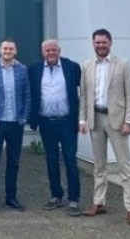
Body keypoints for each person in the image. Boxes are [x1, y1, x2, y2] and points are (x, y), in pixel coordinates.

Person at [79, 29, 130, 226]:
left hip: (117, 120)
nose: (101, 46)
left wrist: (129, 121)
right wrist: (82, 119)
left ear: (110, 43)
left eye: (104, 42)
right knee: (99, 164)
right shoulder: (87, 66)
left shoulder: (123, 64)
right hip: (95, 119)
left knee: (125, 166)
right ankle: (99, 202)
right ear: (93, 43)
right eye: (97, 42)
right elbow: (84, 95)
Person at [28, 39, 83, 217]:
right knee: (51, 160)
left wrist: (82, 119)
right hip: (46, 123)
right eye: (47, 50)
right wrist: (32, 119)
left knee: (70, 159)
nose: (50, 52)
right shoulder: (34, 69)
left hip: (67, 122)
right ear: (42, 52)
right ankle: (56, 195)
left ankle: (73, 199)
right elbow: (31, 94)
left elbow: (84, 91)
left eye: (53, 50)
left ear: (59, 51)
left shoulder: (72, 67)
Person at [0, 39, 30, 217]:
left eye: (11, 48)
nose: (8, 51)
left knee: (14, 162)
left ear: (15, 51)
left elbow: (27, 95)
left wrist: (24, 116)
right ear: (0, 51)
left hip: (16, 123)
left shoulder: (22, 70)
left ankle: (11, 197)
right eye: (5, 48)